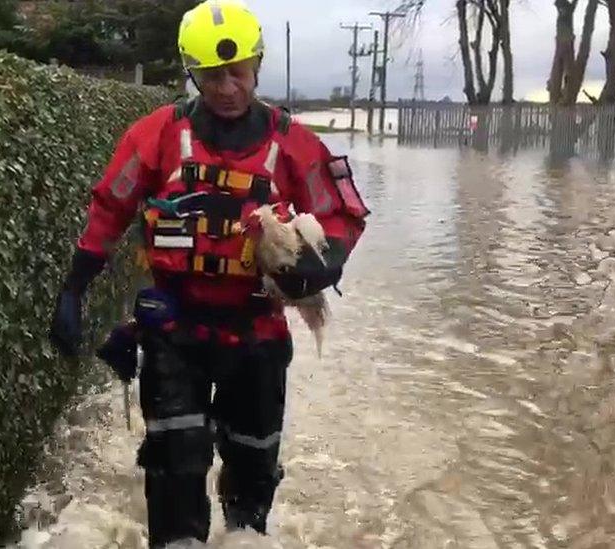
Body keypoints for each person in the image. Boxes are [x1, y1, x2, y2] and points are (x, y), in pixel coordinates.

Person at [49, 1, 369, 546]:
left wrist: (323, 267)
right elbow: (110, 209)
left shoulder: (293, 144)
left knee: (252, 475)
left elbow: (341, 214)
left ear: (257, 68)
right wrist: (73, 290)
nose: (226, 87)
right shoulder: (154, 136)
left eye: (237, 73)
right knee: (175, 463)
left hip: (258, 335)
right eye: (212, 76)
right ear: (192, 74)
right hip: (176, 332)